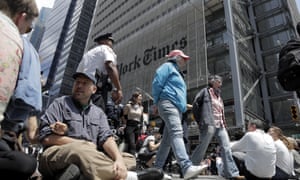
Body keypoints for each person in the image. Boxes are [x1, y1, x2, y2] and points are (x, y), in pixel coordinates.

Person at [38, 71, 164, 180]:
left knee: (127, 158)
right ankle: (130, 177)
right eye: (77, 82)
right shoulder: (60, 104)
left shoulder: (98, 113)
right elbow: (45, 137)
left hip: (91, 155)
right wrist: (80, 144)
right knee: (81, 150)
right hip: (57, 154)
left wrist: (118, 159)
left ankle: (84, 174)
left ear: (94, 89)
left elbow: (107, 139)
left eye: (84, 83)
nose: (79, 86)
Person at [152, 49, 207, 180]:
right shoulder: (167, 66)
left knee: (166, 141)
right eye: (183, 58)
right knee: (177, 133)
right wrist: (156, 102)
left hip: (175, 106)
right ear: (176, 57)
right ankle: (186, 167)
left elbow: (179, 94)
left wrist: (184, 107)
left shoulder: (177, 72)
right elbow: (157, 83)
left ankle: (156, 170)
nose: (185, 61)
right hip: (167, 103)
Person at [0, 1, 39, 179]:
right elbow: (23, 107)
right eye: (29, 28)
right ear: (21, 17)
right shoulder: (18, 44)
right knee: (27, 164)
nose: (25, 33)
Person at [190, 75, 242, 179]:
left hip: (221, 126)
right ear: (212, 82)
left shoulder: (220, 98)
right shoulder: (205, 92)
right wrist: (200, 120)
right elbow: (195, 104)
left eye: (221, 82)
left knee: (226, 147)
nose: (221, 84)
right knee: (203, 146)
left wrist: (224, 124)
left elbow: (221, 112)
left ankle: (232, 173)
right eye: (219, 81)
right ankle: (189, 168)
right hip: (209, 124)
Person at [76, 33, 122, 110]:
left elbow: (78, 74)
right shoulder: (106, 49)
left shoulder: (88, 54)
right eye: (110, 41)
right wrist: (119, 89)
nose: (112, 44)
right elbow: (110, 66)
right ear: (104, 42)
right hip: (96, 89)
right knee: (96, 115)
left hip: (82, 90)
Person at [123, 91, 144, 155]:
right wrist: (124, 124)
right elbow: (124, 116)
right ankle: (133, 158)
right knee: (131, 143)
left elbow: (141, 118)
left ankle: (129, 157)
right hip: (130, 125)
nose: (141, 98)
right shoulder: (128, 106)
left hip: (137, 126)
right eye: (139, 97)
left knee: (134, 143)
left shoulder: (141, 108)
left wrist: (142, 126)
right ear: (135, 98)